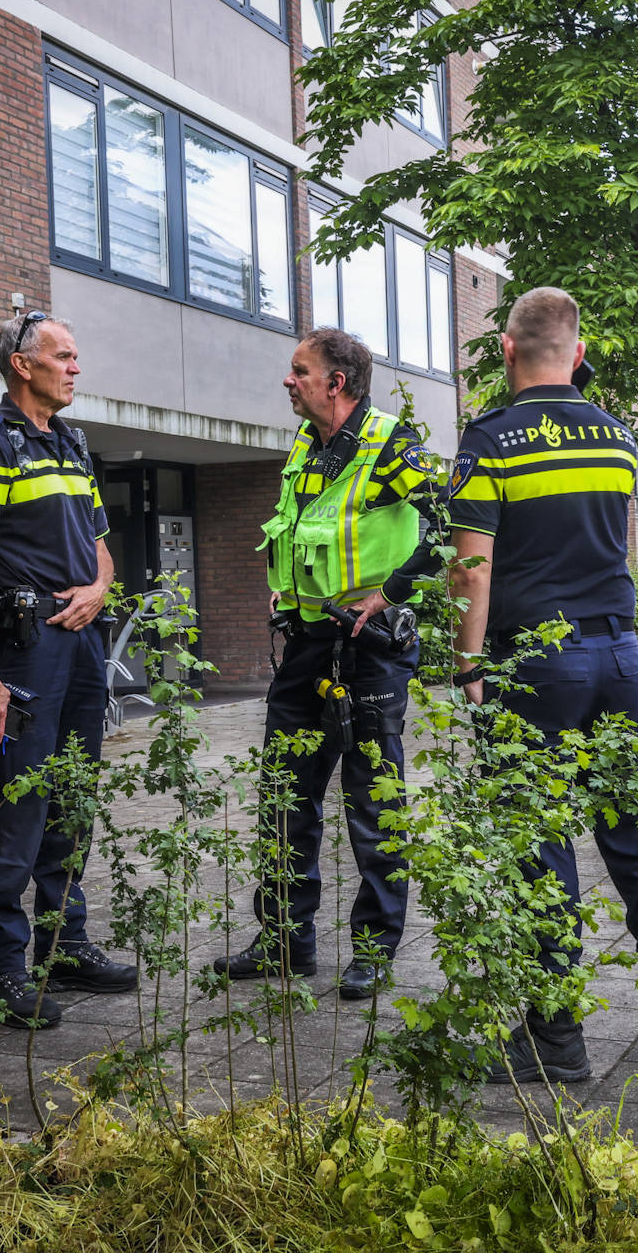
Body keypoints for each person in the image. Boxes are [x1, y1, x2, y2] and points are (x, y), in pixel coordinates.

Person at [447, 286, 638, 1084]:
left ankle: (555, 1036)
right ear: (578, 354)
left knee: (539, 843)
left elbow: (471, 569)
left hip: (536, 664)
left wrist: (467, 666)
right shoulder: (617, 438)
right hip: (620, 659)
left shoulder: (490, 439)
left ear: (506, 350)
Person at [210, 328, 438, 1000]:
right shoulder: (305, 445)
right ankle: (285, 941)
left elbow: (447, 521)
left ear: (336, 382)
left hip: (370, 648)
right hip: (307, 645)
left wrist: (391, 593)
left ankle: (374, 949)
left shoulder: (389, 443)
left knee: (373, 800)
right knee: (286, 795)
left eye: (299, 370)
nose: (289, 380)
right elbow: (302, 531)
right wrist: (286, 588)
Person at [0, 312, 140, 1030]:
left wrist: (99, 588)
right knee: (20, 803)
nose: (75, 367)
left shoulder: (72, 443)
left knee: (72, 799)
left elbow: (102, 547)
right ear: (22, 365)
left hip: (82, 639)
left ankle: (64, 947)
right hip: (26, 650)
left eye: (75, 356)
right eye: (63, 356)